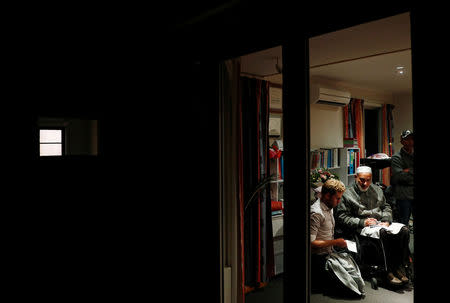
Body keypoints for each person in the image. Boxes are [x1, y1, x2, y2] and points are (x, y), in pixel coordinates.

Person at [335, 166, 410, 287]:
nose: (365, 183)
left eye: (368, 180)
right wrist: (362, 222)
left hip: (380, 224)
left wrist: (386, 220)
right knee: (384, 234)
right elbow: (342, 217)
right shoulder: (347, 194)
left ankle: (399, 267)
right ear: (356, 178)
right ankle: (388, 271)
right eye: (362, 180)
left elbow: (386, 207)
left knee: (404, 231)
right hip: (361, 227)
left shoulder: (377, 190)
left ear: (371, 179)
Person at [311, 178, 365, 296]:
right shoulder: (316, 213)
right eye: (338, 198)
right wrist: (335, 242)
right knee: (350, 288)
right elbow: (311, 243)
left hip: (330, 252)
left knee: (355, 273)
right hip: (318, 258)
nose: (339, 201)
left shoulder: (329, 206)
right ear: (327, 196)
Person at [390, 130, 414, 226]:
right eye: (407, 139)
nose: (410, 142)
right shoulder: (396, 157)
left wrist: (408, 171)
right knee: (402, 226)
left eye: (412, 139)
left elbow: (405, 176)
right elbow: (399, 177)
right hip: (404, 196)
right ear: (402, 141)